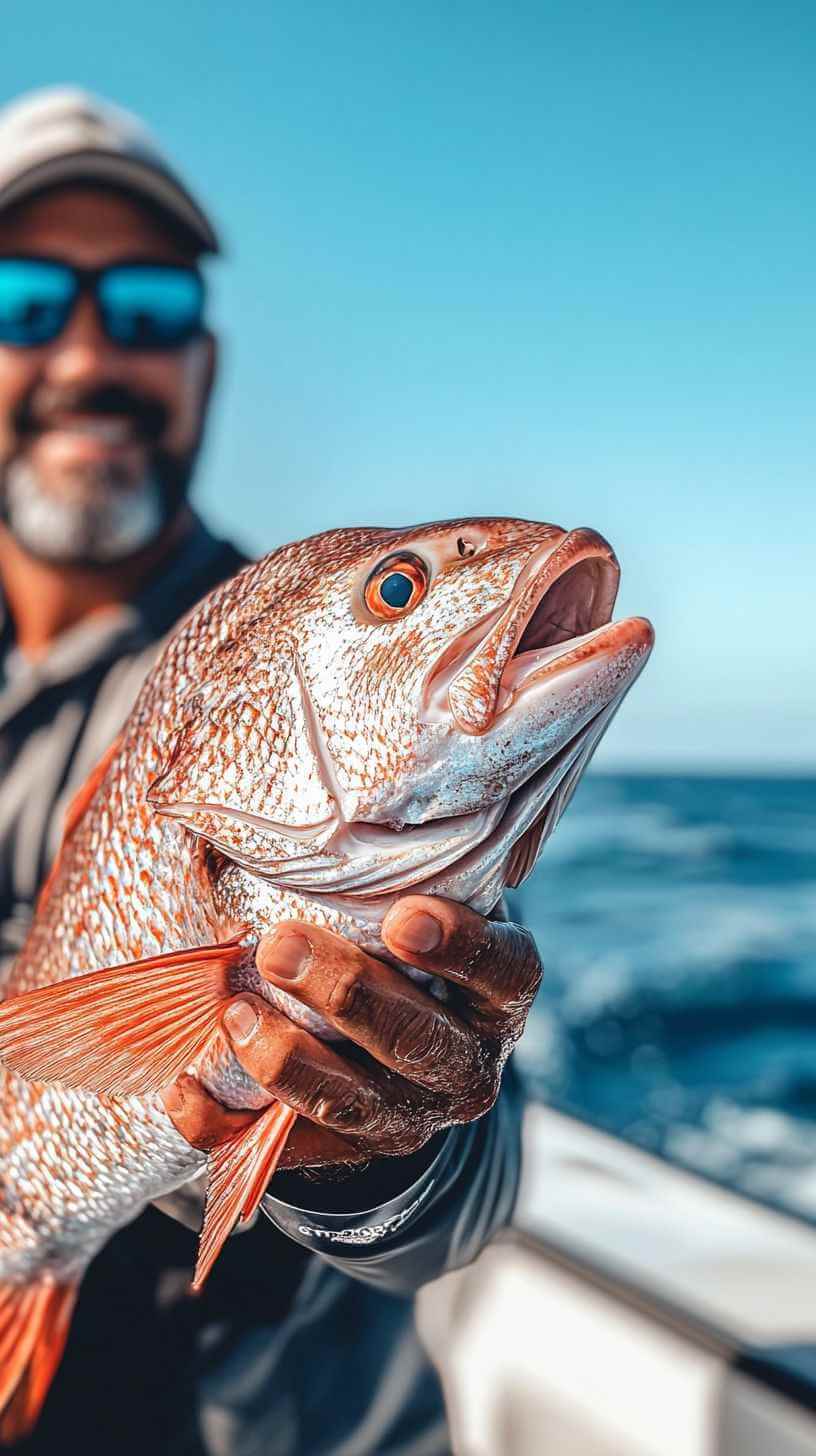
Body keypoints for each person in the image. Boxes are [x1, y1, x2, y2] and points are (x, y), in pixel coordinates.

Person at [0, 88, 541, 1455]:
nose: (83, 355)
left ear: (205, 363)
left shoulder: (283, 653)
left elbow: (465, 1193)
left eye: (145, 307)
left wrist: (399, 1131)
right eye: (21, 298)